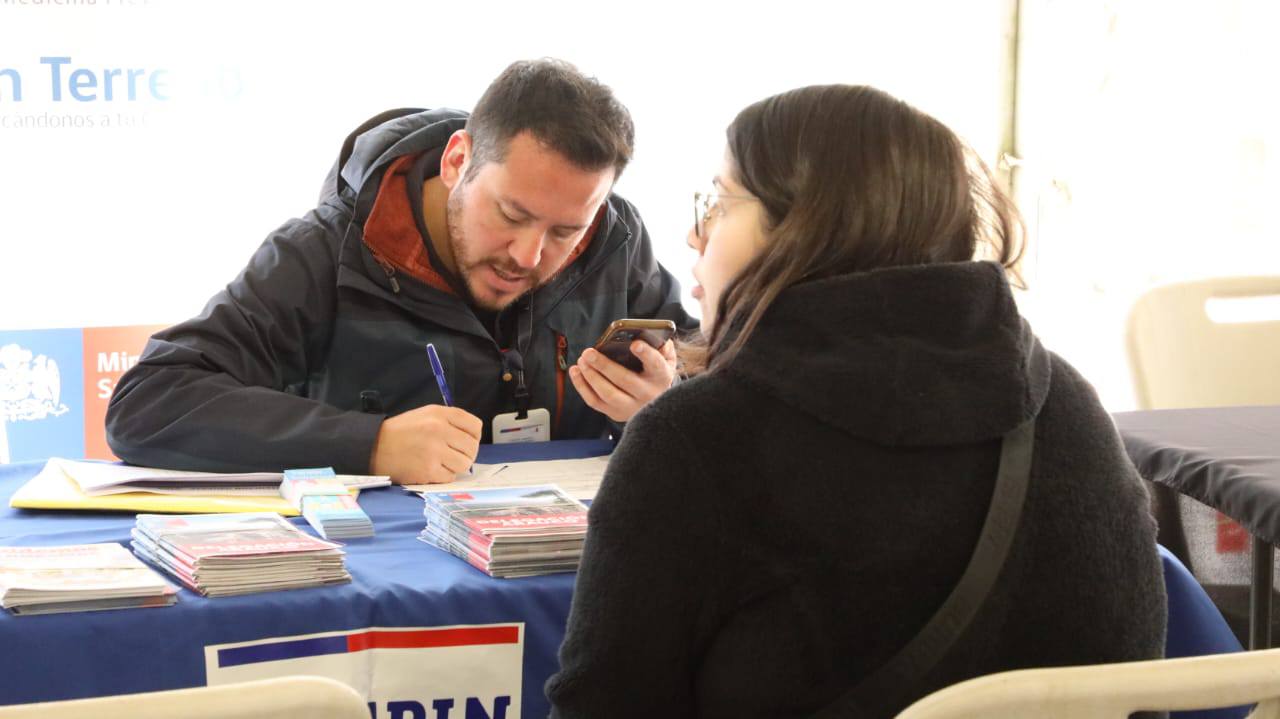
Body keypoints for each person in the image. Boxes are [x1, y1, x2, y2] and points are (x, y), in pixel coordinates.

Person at [546, 84, 1166, 718]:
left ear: (804, 230)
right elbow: (1142, 685)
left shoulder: (696, 440)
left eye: (719, 204)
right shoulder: (1065, 403)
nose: (693, 234)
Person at [105, 59, 694, 484]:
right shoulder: (324, 252)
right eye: (511, 215)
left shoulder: (614, 239)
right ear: (458, 161)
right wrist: (369, 444)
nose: (527, 255)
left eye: (565, 231)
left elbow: (709, 371)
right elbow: (149, 402)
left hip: (567, 583)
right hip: (377, 589)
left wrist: (663, 405)